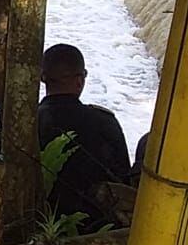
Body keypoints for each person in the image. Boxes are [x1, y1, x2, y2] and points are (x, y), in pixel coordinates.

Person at [37, 43, 132, 230]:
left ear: (43, 79)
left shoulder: (25, 123)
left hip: (36, 227)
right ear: (80, 80)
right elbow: (123, 184)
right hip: (98, 230)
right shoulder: (104, 122)